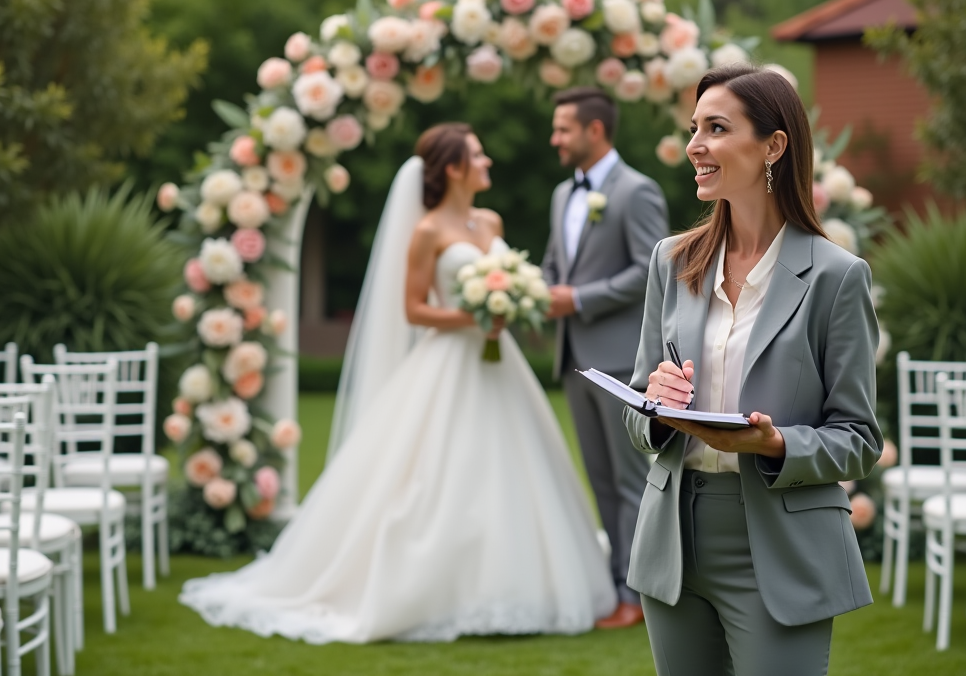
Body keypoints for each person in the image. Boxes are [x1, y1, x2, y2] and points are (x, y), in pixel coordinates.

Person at [181, 123, 617, 643]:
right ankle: (433, 590)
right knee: (436, 475)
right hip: (451, 359)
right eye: (477, 156)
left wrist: (511, 304)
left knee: (510, 465)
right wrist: (472, 314)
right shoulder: (429, 229)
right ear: (453, 168)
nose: (487, 163)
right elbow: (414, 309)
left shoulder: (490, 220)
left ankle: (515, 585)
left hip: (499, 363)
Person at [622, 63, 881, 676]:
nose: (694, 146)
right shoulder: (672, 261)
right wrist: (656, 411)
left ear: (773, 145)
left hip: (779, 546)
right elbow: (639, 408)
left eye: (715, 127)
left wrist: (775, 443)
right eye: (694, 129)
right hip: (674, 540)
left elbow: (860, 439)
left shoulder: (837, 277)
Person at [541, 87, 670, 629]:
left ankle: (639, 594)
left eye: (563, 128)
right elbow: (555, 263)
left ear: (595, 131)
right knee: (599, 480)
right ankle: (618, 584)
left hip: (619, 362)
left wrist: (579, 299)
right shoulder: (560, 194)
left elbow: (651, 267)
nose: (555, 139)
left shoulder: (637, 191)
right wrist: (543, 289)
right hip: (573, 355)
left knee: (626, 480)